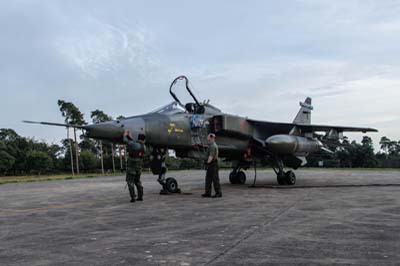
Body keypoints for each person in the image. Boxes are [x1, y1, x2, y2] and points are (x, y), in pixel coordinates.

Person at [123, 130, 146, 202]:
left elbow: (125, 141)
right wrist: (130, 137)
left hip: (131, 166)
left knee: (130, 182)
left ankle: (133, 197)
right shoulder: (144, 146)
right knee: (138, 182)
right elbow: (134, 143)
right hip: (138, 167)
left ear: (138, 138)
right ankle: (140, 196)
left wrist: (125, 134)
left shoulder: (134, 144)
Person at [202, 133, 222, 198]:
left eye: (208, 137)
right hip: (211, 164)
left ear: (211, 138)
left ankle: (218, 193)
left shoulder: (213, 146)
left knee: (215, 179)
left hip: (213, 164)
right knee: (208, 179)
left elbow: (211, 156)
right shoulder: (210, 145)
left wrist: (207, 163)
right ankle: (207, 193)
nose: (207, 138)